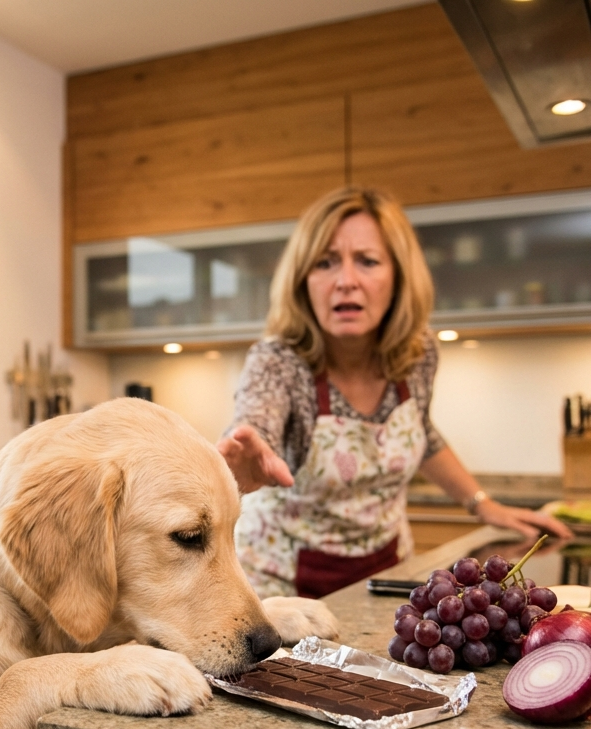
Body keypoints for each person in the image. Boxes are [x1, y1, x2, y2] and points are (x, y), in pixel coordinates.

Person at [217, 185, 571, 599]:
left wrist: (483, 505)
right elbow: (257, 422)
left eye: (367, 261)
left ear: (399, 277)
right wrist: (248, 455)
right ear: (303, 280)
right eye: (326, 263)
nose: (346, 281)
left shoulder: (417, 354)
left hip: (388, 568)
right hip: (280, 583)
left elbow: (422, 432)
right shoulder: (279, 361)